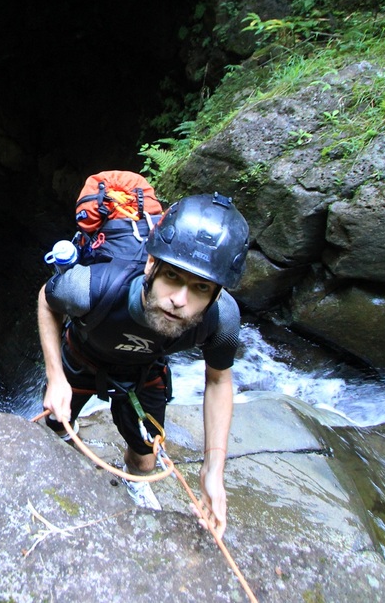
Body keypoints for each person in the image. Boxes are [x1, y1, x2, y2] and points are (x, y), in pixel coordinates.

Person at [38, 192, 249, 535]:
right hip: (81, 359)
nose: (179, 300)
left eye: (200, 287)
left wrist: (213, 469)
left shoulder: (222, 320)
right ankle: (62, 453)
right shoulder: (93, 288)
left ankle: (134, 482)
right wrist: (55, 377)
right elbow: (48, 300)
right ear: (151, 265)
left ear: (216, 293)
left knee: (146, 457)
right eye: (172, 277)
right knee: (56, 424)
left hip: (143, 372)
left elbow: (218, 380)